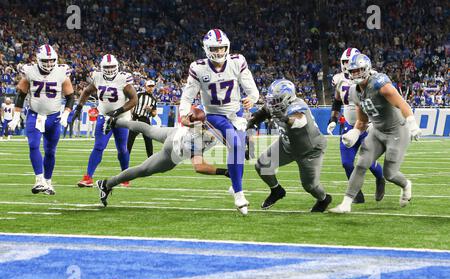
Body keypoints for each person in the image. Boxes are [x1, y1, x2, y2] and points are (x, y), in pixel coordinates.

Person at [179, 29, 259, 215]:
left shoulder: (237, 61)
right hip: (214, 114)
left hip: (236, 113)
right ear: (207, 48)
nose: (220, 52)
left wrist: (253, 97)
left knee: (238, 150)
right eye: (215, 48)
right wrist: (184, 113)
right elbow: (187, 96)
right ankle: (239, 194)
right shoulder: (198, 67)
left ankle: (235, 186)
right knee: (237, 146)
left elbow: (250, 86)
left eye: (223, 48)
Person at [329, 54, 422, 213]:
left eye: (359, 70)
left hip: (396, 131)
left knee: (389, 173)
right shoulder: (353, 91)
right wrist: (355, 132)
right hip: (377, 131)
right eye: (353, 71)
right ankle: (346, 203)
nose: (356, 74)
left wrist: (412, 124)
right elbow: (362, 120)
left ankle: (406, 184)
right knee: (361, 164)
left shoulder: (380, 84)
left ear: (367, 69)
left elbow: (401, 103)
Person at [96, 117, 229, 207]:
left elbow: (186, 118)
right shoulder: (197, 140)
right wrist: (224, 172)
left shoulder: (212, 120)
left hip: (174, 132)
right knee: (143, 169)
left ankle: (114, 121)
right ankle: (107, 184)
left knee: (148, 129)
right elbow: (199, 167)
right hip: (173, 150)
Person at [247, 79, 332, 212]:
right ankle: (276, 191)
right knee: (262, 164)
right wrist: (251, 123)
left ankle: (324, 199)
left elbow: (300, 121)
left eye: (276, 100)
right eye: (271, 99)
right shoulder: (274, 105)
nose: (272, 103)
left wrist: (286, 118)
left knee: (310, 186)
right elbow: (263, 112)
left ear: (287, 98)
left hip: (310, 150)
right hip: (287, 145)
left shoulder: (297, 105)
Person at [10, 44, 75, 194]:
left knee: (50, 151)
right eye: (45, 60)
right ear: (38, 59)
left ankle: (48, 182)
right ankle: (39, 180)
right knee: (33, 145)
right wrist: (16, 115)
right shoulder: (30, 71)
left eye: (52, 60)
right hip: (35, 114)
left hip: (54, 116)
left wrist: (66, 113)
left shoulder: (61, 71)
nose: (49, 63)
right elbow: (21, 94)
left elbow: (70, 96)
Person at [326, 48, 385, 204]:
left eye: (349, 61)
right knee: (346, 162)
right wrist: (332, 119)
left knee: (368, 162)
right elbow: (337, 100)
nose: (346, 65)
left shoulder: (372, 76)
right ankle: (356, 191)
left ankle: (380, 178)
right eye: (344, 62)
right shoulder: (339, 79)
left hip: (368, 125)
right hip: (350, 126)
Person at [76, 54, 138, 187]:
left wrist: (119, 111)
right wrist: (79, 107)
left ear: (117, 66)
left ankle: (125, 176)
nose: (109, 69)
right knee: (98, 146)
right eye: (107, 67)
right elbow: (86, 91)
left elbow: (134, 99)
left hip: (121, 118)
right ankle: (88, 177)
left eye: (112, 66)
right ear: (101, 67)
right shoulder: (97, 77)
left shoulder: (123, 78)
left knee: (122, 149)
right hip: (104, 116)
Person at [127, 79, 158, 157]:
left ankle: (150, 160)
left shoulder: (154, 99)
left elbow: (154, 114)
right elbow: (131, 103)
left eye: (152, 86)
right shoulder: (139, 95)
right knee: (130, 141)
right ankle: (125, 158)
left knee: (148, 142)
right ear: (145, 87)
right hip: (136, 119)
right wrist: (132, 114)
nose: (151, 88)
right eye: (149, 86)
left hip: (146, 120)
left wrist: (150, 110)